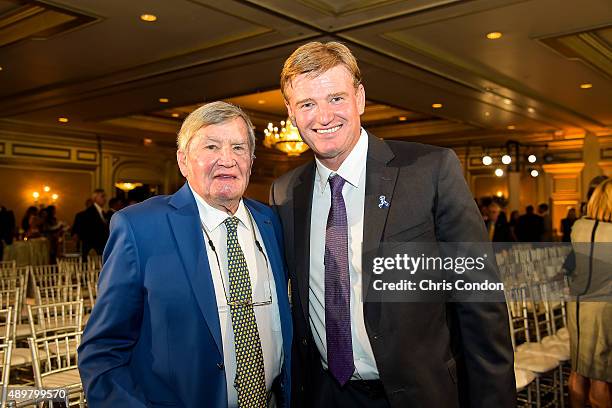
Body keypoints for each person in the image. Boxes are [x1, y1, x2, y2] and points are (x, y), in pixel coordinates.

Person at [270, 41, 515, 408]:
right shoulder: (285, 192)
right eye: (307, 104)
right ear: (291, 112)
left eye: (336, 98)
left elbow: (480, 304)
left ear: (360, 98)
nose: (322, 117)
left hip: (421, 394)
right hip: (327, 396)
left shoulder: (430, 171)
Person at [78, 102, 292, 408]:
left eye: (238, 147)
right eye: (211, 146)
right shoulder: (141, 227)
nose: (227, 159)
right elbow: (103, 352)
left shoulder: (271, 222)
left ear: (252, 160)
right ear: (183, 160)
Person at [567, 178, 612, 408]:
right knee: (600, 378)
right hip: (602, 308)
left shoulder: (578, 227)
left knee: (578, 370)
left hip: (577, 305)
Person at [78, 189, 109, 259]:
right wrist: (91, 248)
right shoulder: (89, 212)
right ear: (95, 198)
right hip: (93, 249)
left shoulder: (103, 212)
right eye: (102, 196)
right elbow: (86, 231)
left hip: (101, 248)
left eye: (105, 196)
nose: (105, 199)